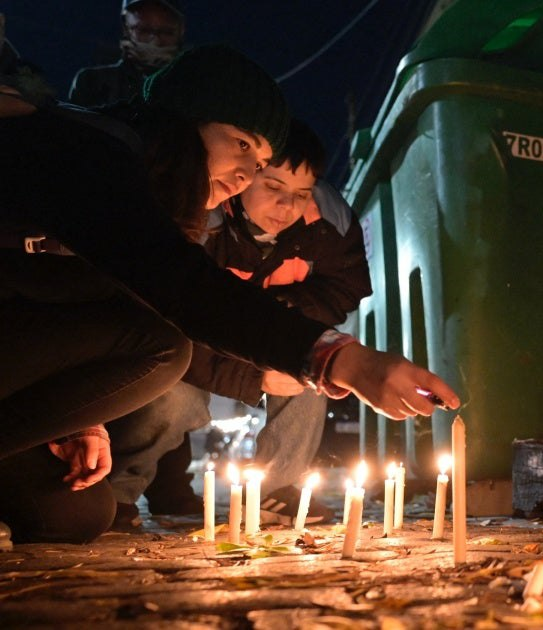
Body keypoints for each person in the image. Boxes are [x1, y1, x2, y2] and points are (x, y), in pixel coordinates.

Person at [0, 44, 459, 544]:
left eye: (258, 159)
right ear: (184, 120)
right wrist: (342, 360)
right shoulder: (90, 152)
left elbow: (113, 300)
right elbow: (186, 290)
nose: (245, 174)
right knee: (164, 349)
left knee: (77, 515)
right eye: (241, 144)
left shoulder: (152, 199)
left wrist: (79, 423)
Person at [108, 119, 370, 527]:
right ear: (243, 179)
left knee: (311, 364)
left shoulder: (328, 224)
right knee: (174, 398)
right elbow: (170, 321)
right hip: (192, 345)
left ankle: (275, 489)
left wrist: (284, 311)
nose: (287, 207)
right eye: (273, 188)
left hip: (263, 336)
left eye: (301, 194)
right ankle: (117, 493)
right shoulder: (199, 218)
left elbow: (342, 287)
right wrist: (252, 379)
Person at [69, 0, 185, 107]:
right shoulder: (91, 82)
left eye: (166, 32)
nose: (155, 41)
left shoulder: (195, 85)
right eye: (144, 30)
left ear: (181, 31)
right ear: (126, 28)